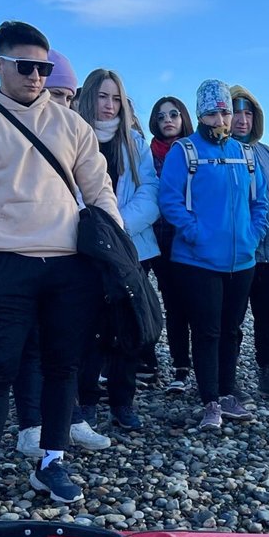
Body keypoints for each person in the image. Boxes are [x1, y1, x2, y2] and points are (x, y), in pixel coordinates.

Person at [0, 21, 121, 517]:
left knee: (64, 366)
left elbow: (98, 187)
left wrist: (112, 245)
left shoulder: (72, 125)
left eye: (44, 67)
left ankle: (52, 461)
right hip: (5, 264)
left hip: (70, 266)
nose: (37, 76)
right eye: (26, 66)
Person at [158, 80, 268, 430]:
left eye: (224, 110)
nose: (219, 118)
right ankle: (209, 400)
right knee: (206, 330)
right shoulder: (184, 151)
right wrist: (195, 234)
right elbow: (170, 200)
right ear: (201, 113)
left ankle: (226, 392)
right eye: (212, 111)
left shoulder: (245, 154)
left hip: (242, 259)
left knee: (232, 329)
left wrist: (253, 236)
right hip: (197, 261)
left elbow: (260, 203)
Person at [74, 67, 160, 433]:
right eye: (102, 96)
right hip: (82, 250)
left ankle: (123, 402)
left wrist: (116, 227)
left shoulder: (135, 143)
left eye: (116, 99)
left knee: (128, 325)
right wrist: (92, 231)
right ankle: (87, 400)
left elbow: (150, 193)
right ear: (88, 97)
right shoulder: (72, 136)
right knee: (89, 327)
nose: (109, 106)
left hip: (128, 250)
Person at [230, 84, 269, 399]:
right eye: (236, 112)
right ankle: (226, 380)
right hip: (237, 254)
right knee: (231, 320)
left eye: (248, 112)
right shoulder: (221, 152)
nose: (242, 120)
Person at [147, 96, 195, 393]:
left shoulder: (194, 151)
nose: (168, 119)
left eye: (174, 114)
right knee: (145, 301)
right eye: (161, 115)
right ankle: (145, 363)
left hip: (184, 239)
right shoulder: (144, 153)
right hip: (151, 237)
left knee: (181, 304)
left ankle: (182, 366)